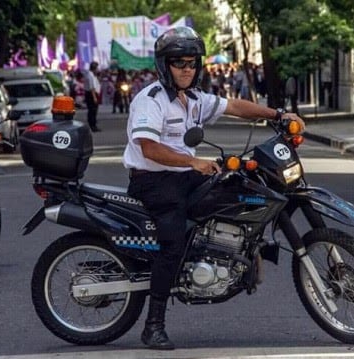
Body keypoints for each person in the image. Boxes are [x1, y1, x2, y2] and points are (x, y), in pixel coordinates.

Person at [122, 26, 304, 350]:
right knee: (173, 242)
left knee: (238, 189)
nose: (187, 69)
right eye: (179, 63)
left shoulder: (194, 99)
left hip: (183, 176)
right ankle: (153, 326)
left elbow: (234, 106)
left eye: (192, 63)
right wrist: (192, 162)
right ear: (165, 65)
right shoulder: (150, 100)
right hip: (154, 181)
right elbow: (148, 148)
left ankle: (236, 252)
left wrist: (277, 114)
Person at [83, 61, 101, 132]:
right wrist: (94, 97)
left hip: (92, 94)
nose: (98, 70)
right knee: (92, 111)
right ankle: (92, 126)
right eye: (97, 68)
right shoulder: (90, 76)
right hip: (91, 94)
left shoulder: (92, 75)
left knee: (93, 111)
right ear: (94, 68)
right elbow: (92, 88)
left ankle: (93, 124)